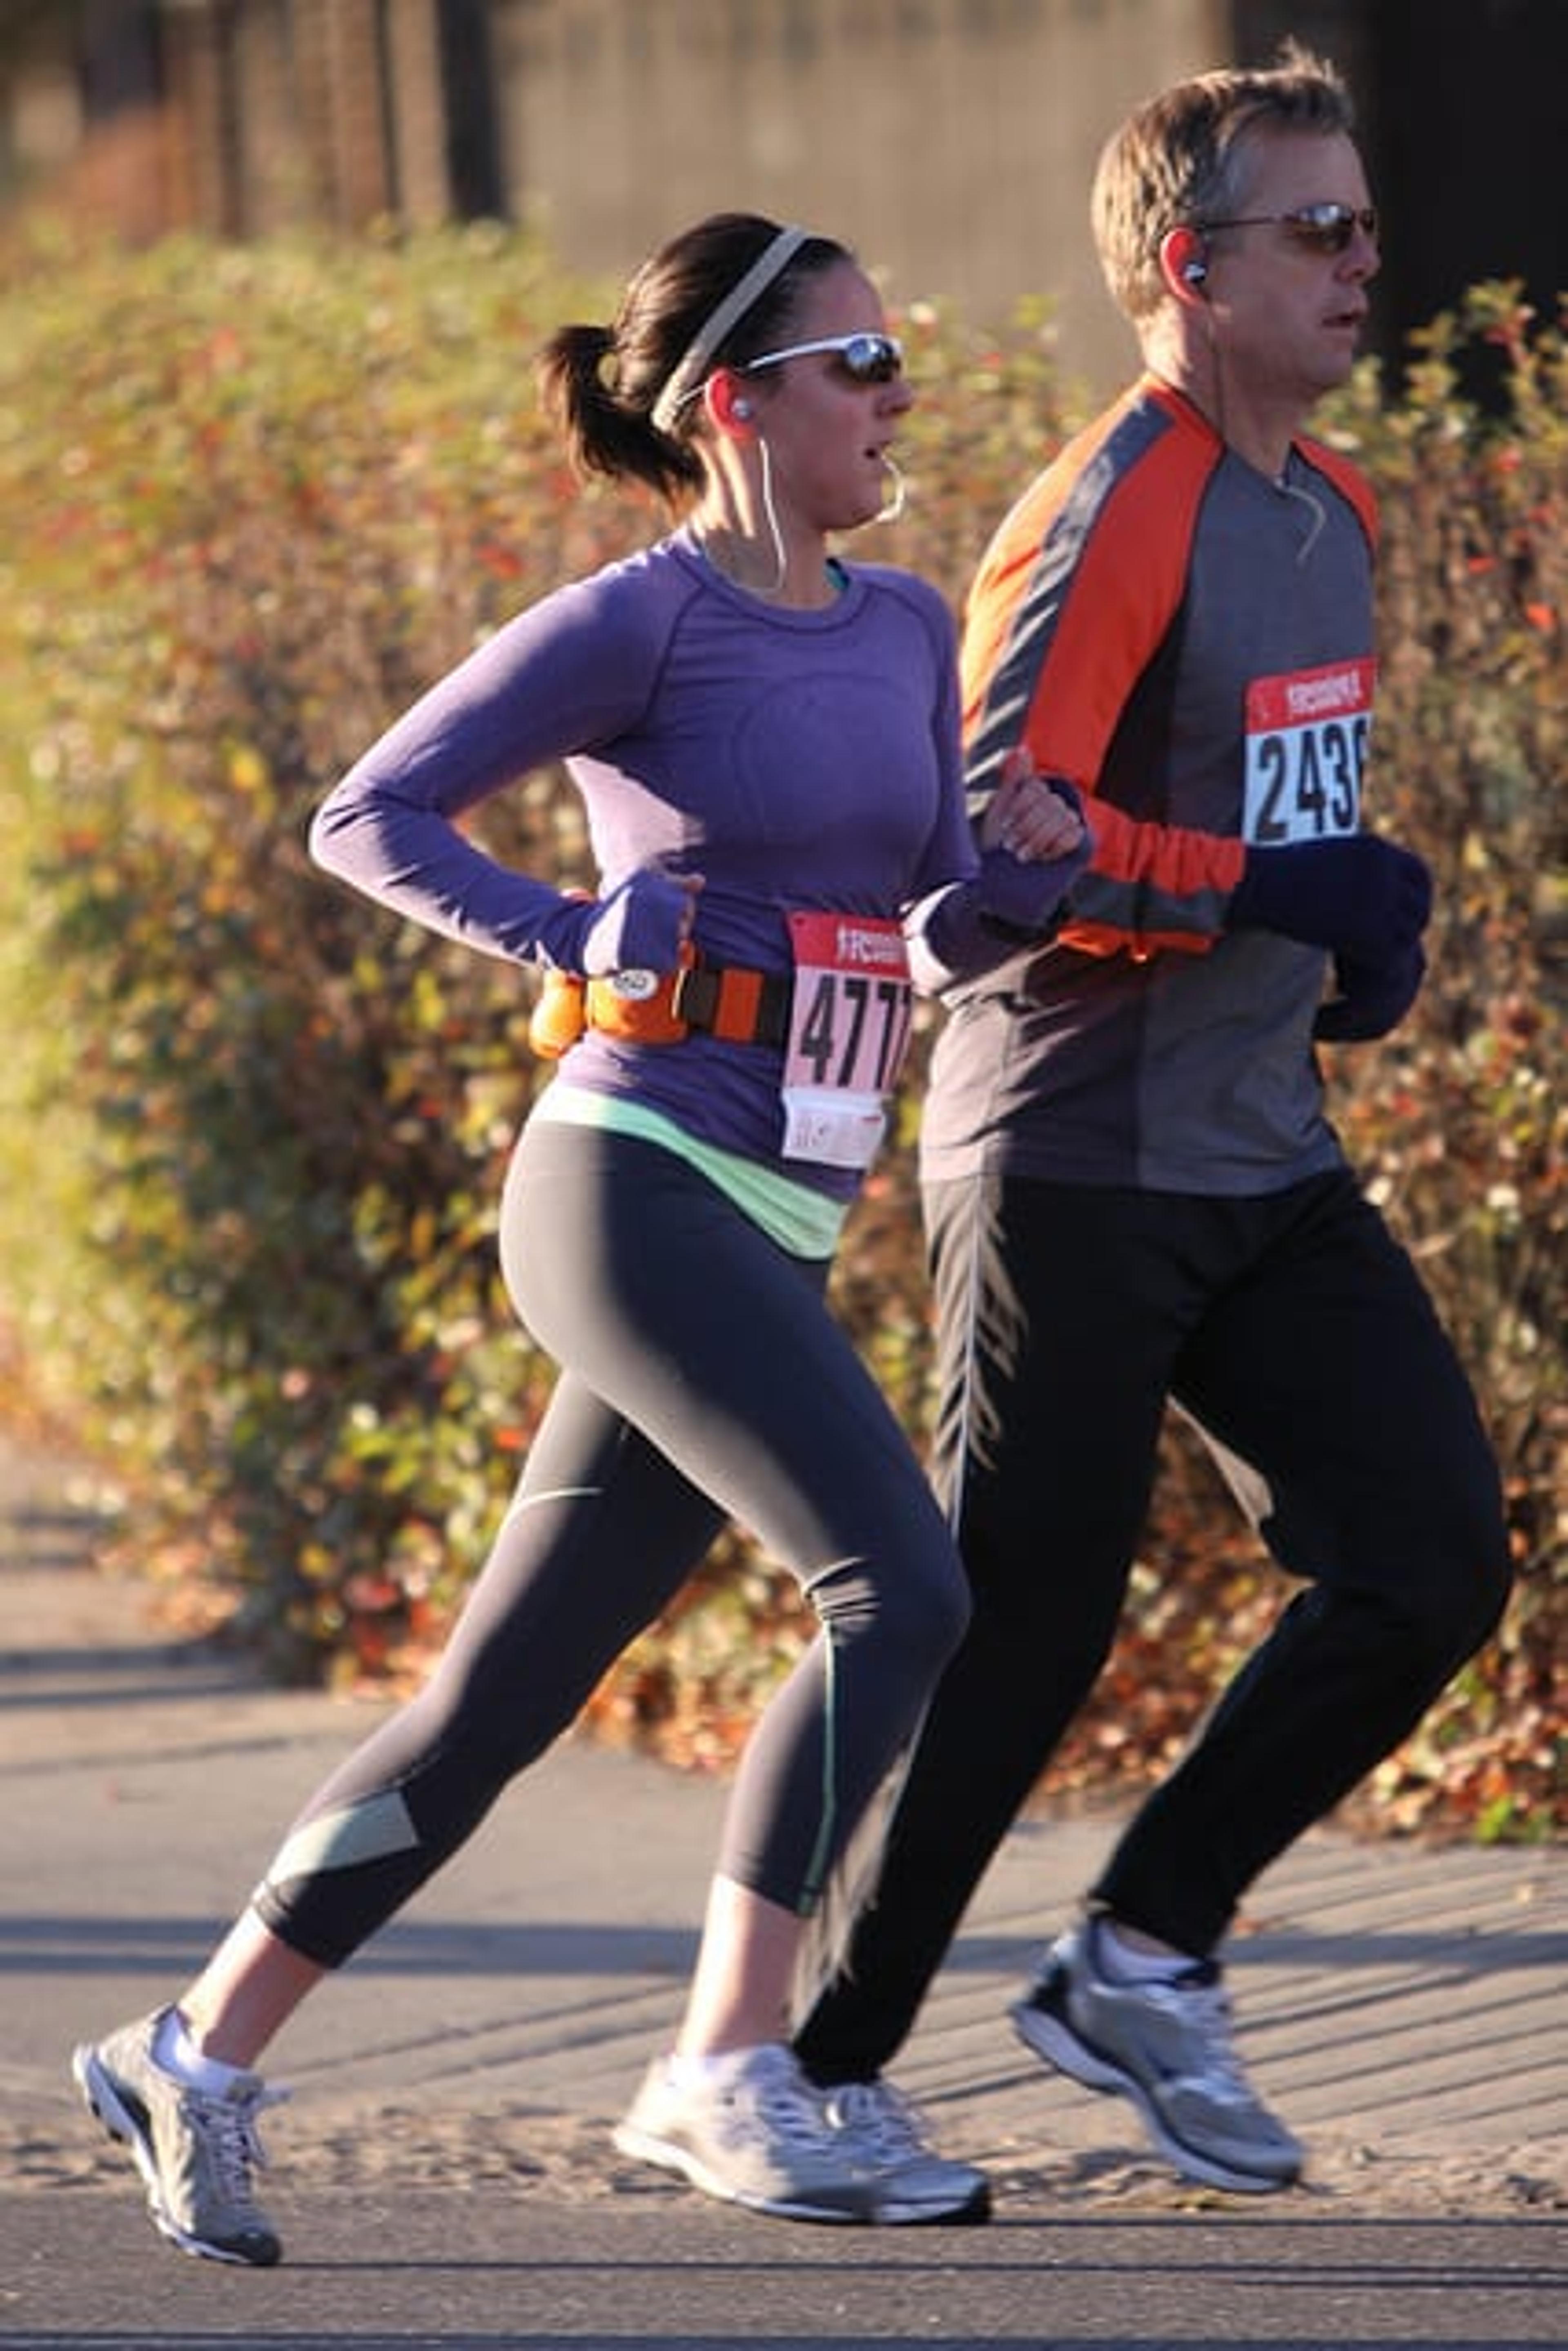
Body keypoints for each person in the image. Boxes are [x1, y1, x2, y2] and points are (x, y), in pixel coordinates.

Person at [70, 210, 1089, 2264]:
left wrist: (1024, 898)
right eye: (860, 367)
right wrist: (564, 930)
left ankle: (196, 2040)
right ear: (739, 403)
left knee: (501, 1695)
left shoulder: (899, 627)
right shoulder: (638, 623)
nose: (902, 397)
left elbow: (920, 920)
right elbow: (369, 811)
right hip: (627, 1183)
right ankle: (728, 2057)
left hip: (778, 1206)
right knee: (903, 1586)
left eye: (899, 363)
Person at [791, 46, 1513, 2201]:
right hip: (1073, 1155)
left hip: (1258, 1148)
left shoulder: (1333, 505)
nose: (1365, 263)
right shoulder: (1122, 500)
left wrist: (1346, 932)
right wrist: (1255, 894)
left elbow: (1282, 804)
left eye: (1370, 226)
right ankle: (817, 2065)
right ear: (1186, 273)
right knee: (1021, 1630)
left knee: (1428, 1556)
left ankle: (1142, 1940)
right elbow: (995, 852)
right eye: (1323, 232)